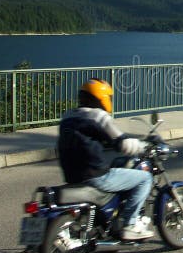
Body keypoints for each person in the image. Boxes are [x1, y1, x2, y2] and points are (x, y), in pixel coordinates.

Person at [57, 78, 156, 241]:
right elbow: (123, 143)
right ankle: (130, 225)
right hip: (95, 176)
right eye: (108, 97)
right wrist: (143, 146)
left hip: (72, 175)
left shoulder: (68, 117)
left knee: (118, 166)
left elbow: (86, 138)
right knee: (144, 178)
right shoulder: (98, 117)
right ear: (101, 98)